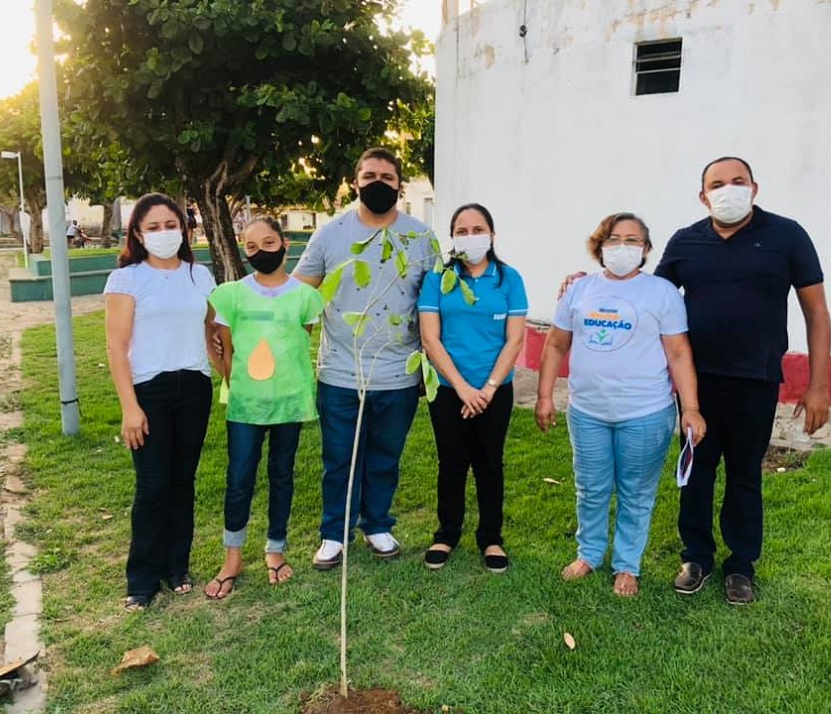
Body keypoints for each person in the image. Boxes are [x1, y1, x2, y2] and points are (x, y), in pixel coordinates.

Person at [655, 157, 831, 604]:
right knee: (696, 472)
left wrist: (819, 384)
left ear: (754, 187)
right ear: (703, 196)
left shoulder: (786, 236)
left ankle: (741, 565)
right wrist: (588, 282)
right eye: (717, 184)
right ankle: (696, 556)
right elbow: (648, 299)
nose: (727, 189)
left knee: (744, 474)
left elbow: (817, 311)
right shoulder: (685, 242)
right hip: (697, 384)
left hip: (757, 379)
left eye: (737, 181)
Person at [536, 213, 705, 597]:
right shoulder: (578, 291)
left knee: (636, 492)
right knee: (591, 488)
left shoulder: (662, 293)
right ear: (600, 245)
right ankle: (589, 553)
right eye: (614, 238)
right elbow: (557, 344)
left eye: (633, 240)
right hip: (588, 412)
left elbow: (679, 354)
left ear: (645, 249)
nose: (623, 247)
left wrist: (690, 408)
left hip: (646, 414)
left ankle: (627, 565)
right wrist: (545, 395)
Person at [293, 147, 438, 570]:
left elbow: (436, 301)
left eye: (387, 177)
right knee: (340, 458)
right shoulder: (330, 234)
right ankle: (333, 534)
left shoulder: (419, 238)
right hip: (340, 370)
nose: (378, 183)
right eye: (369, 175)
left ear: (399, 185)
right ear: (355, 182)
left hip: (399, 373)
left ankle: (377, 523)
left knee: (384, 457)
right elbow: (301, 299)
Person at [103, 193, 217, 611]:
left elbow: (212, 327)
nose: (164, 233)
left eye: (171, 225)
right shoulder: (127, 279)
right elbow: (116, 347)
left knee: (182, 481)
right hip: (149, 389)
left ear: (184, 229)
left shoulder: (199, 275)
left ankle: (176, 566)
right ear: (137, 233)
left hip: (194, 387)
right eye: (153, 227)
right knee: (152, 485)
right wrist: (130, 408)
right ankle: (142, 578)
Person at [203, 216, 324, 599]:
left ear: (285, 243)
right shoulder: (230, 295)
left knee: (282, 475)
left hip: (289, 401)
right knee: (239, 478)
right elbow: (223, 347)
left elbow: (298, 342)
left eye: (268, 243)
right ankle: (232, 557)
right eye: (251, 247)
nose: (260, 253)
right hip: (245, 405)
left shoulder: (306, 297)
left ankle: (276, 550)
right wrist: (233, 380)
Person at [417, 203, 528, 573]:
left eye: (477, 229)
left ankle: (491, 538)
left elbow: (514, 341)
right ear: (452, 238)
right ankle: (446, 533)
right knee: (451, 463)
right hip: (449, 389)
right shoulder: (438, 278)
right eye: (461, 231)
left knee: (489, 463)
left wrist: (488, 388)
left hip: (495, 389)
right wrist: (464, 388)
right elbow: (431, 339)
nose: (470, 237)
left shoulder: (509, 279)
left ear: (492, 235)